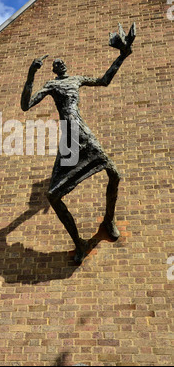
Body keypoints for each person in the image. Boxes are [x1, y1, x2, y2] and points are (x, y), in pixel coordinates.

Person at [21, 24, 135, 264]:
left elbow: (104, 80)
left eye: (62, 62)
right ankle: (79, 243)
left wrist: (121, 56)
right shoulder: (52, 85)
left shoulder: (76, 80)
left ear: (67, 67)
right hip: (70, 140)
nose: (59, 63)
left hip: (83, 132)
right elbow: (26, 105)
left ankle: (108, 220)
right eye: (56, 63)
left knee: (114, 174)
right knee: (53, 196)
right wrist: (32, 73)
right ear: (53, 70)